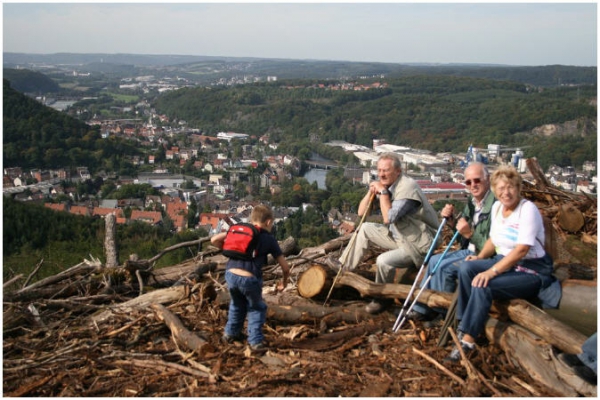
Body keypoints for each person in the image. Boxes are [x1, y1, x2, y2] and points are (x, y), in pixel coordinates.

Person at [444, 165, 561, 363]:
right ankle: (464, 320)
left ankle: (468, 341)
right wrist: (480, 258)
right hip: (505, 261)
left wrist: (491, 271)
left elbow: (522, 250)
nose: (505, 193)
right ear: (495, 190)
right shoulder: (498, 208)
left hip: (530, 269)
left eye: (510, 188)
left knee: (483, 284)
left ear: (518, 188)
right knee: (466, 268)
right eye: (500, 189)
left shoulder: (527, 210)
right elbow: (493, 240)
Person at [330, 152, 440, 314]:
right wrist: (371, 192)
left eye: (386, 171)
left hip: (418, 244)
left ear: (398, 171)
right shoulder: (388, 186)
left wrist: (383, 193)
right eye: (379, 170)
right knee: (366, 227)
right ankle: (345, 265)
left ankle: (382, 298)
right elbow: (361, 213)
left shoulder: (407, 188)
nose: (381, 174)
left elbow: (389, 218)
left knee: (383, 261)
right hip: (400, 237)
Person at [409, 162, 495, 321]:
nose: (473, 185)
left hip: (483, 255)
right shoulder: (472, 203)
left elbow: (492, 245)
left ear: (488, 179)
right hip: (470, 249)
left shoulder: (495, 205)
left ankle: (444, 314)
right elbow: (461, 235)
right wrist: (451, 221)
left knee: (444, 268)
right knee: (434, 260)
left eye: (477, 180)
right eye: (469, 182)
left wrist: (469, 234)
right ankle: (422, 309)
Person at [211, 204, 290, 351]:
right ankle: (255, 342)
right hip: (249, 277)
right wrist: (284, 283)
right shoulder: (268, 238)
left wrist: (230, 241)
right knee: (256, 308)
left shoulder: (239, 232)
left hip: (230, 274)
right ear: (268, 222)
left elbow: (214, 240)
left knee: (236, 303)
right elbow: (285, 267)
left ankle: (230, 334)